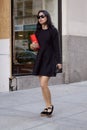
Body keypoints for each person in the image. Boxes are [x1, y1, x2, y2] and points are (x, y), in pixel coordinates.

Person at [30, 10, 62, 117]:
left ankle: (50, 106)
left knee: (44, 84)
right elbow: (35, 47)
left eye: (42, 16)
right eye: (38, 17)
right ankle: (47, 106)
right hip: (40, 59)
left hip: (50, 59)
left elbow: (57, 47)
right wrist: (32, 46)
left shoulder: (53, 31)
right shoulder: (38, 32)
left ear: (47, 17)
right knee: (42, 86)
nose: (40, 18)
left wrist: (59, 61)